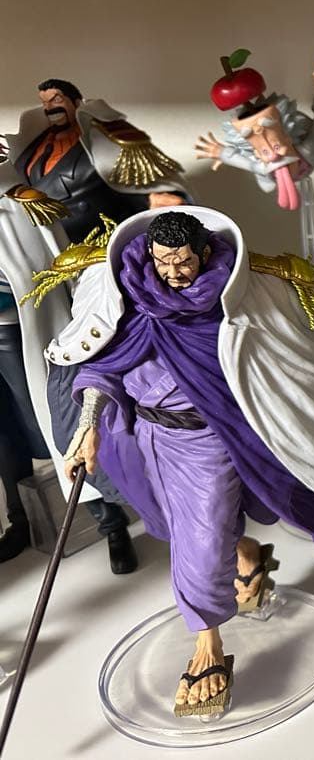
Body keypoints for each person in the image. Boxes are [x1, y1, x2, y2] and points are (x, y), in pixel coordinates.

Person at [51, 206, 314, 713]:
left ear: (204, 254)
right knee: (176, 527)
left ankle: (208, 645)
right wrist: (88, 427)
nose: (173, 273)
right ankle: (247, 556)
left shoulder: (241, 293)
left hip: (212, 438)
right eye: (163, 262)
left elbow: (311, 317)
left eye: (183, 262)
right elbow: (101, 365)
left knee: (201, 542)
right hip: (146, 436)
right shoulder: (126, 292)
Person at [1, 78, 186, 571]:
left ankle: (152, 508)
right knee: (44, 412)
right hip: (60, 286)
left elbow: (157, 190)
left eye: (57, 100)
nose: (50, 107)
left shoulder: (107, 139)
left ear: (75, 102)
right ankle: (79, 522)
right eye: (44, 102)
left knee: (129, 391)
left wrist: (161, 219)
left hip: (109, 274)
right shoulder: (28, 157)